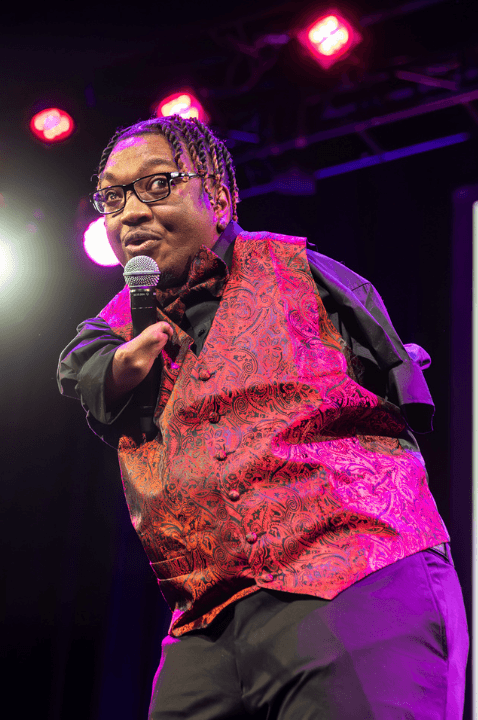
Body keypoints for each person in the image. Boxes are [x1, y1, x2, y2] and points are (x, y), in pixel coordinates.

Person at [58, 114, 468, 719]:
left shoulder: (302, 271)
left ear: (219, 197)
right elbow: (83, 371)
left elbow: (395, 376)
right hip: (206, 623)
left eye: (158, 184)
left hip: (355, 578)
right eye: (113, 197)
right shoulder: (116, 324)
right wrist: (124, 363)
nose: (131, 212)